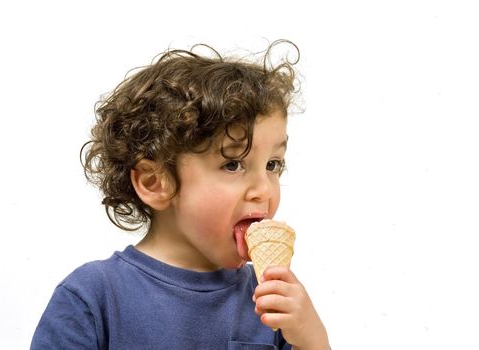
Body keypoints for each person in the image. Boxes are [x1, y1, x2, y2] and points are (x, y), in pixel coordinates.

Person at [30, 40, 330, 350]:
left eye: (272, 164)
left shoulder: (272, 299)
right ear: (154, 182)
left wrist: (312, 341)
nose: (265, 189)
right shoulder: (93, 297)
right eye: (232, 164)